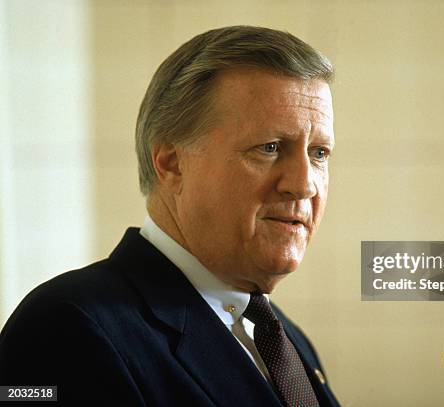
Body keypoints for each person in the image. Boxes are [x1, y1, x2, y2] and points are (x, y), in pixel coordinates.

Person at [0, 26, 340, 407]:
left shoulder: (283, 338)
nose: (304, 184)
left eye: (320, 153)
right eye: (270, 147)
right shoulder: (64, 329)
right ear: (172, 164)